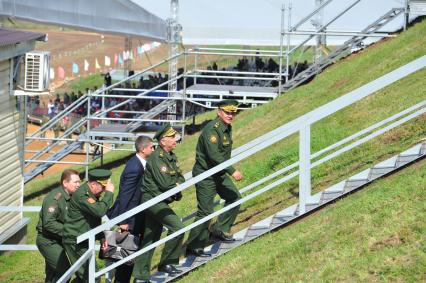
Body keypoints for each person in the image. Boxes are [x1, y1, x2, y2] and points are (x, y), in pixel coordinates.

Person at [186, 99, 243, 257]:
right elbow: (214, 155)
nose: (231, 115)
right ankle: (194, 246)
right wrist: (232, 171)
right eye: (227, 112)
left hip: (218, 172)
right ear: (219, 112)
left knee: (235, 198)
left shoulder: (226, 127)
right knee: (205, 211)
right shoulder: (212, 129)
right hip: (206, 174)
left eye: (233, 112)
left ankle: (219, 230)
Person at [132, 123, 185, 283]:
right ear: (162, 141)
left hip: (159, 199)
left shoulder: (171, 157)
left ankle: (140, 276)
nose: (175, 139)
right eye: (171, 137)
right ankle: (167, 263)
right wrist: (175, 185)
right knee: (178, 227)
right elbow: (165, 183)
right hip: (152, 200)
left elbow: (180, 178)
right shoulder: (157, 158)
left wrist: (176, 184)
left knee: (151, 237)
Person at [107, 136, 155, 283]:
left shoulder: (141, 163)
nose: (153, 149)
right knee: (125, 259)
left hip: (136, 217)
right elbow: (124, 196)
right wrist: (122, 221)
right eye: (151, 147)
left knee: (131, 256)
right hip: (129, 219)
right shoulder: (134, 167)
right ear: (143, 149)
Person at [63, 169, 115, 282]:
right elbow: (100, 211)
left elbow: (92, 220)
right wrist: (109, 193)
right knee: (92, 277)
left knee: (87, 276)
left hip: (83, 238)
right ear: (93, 184)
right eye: (103, 187)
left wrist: (101, 237)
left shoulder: (90, 193)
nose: (104, 190)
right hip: (75, 241)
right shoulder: (83, 195)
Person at [36, 169, 81, 283]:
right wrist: (70, 231)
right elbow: (49, 223)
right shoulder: (55, 198)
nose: (78, 185)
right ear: (65, 183)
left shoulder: (72, 197)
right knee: (65, 272)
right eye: (75, 182)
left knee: (52, 275)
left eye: (79, 182)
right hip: (48, 241)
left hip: (60, 240)